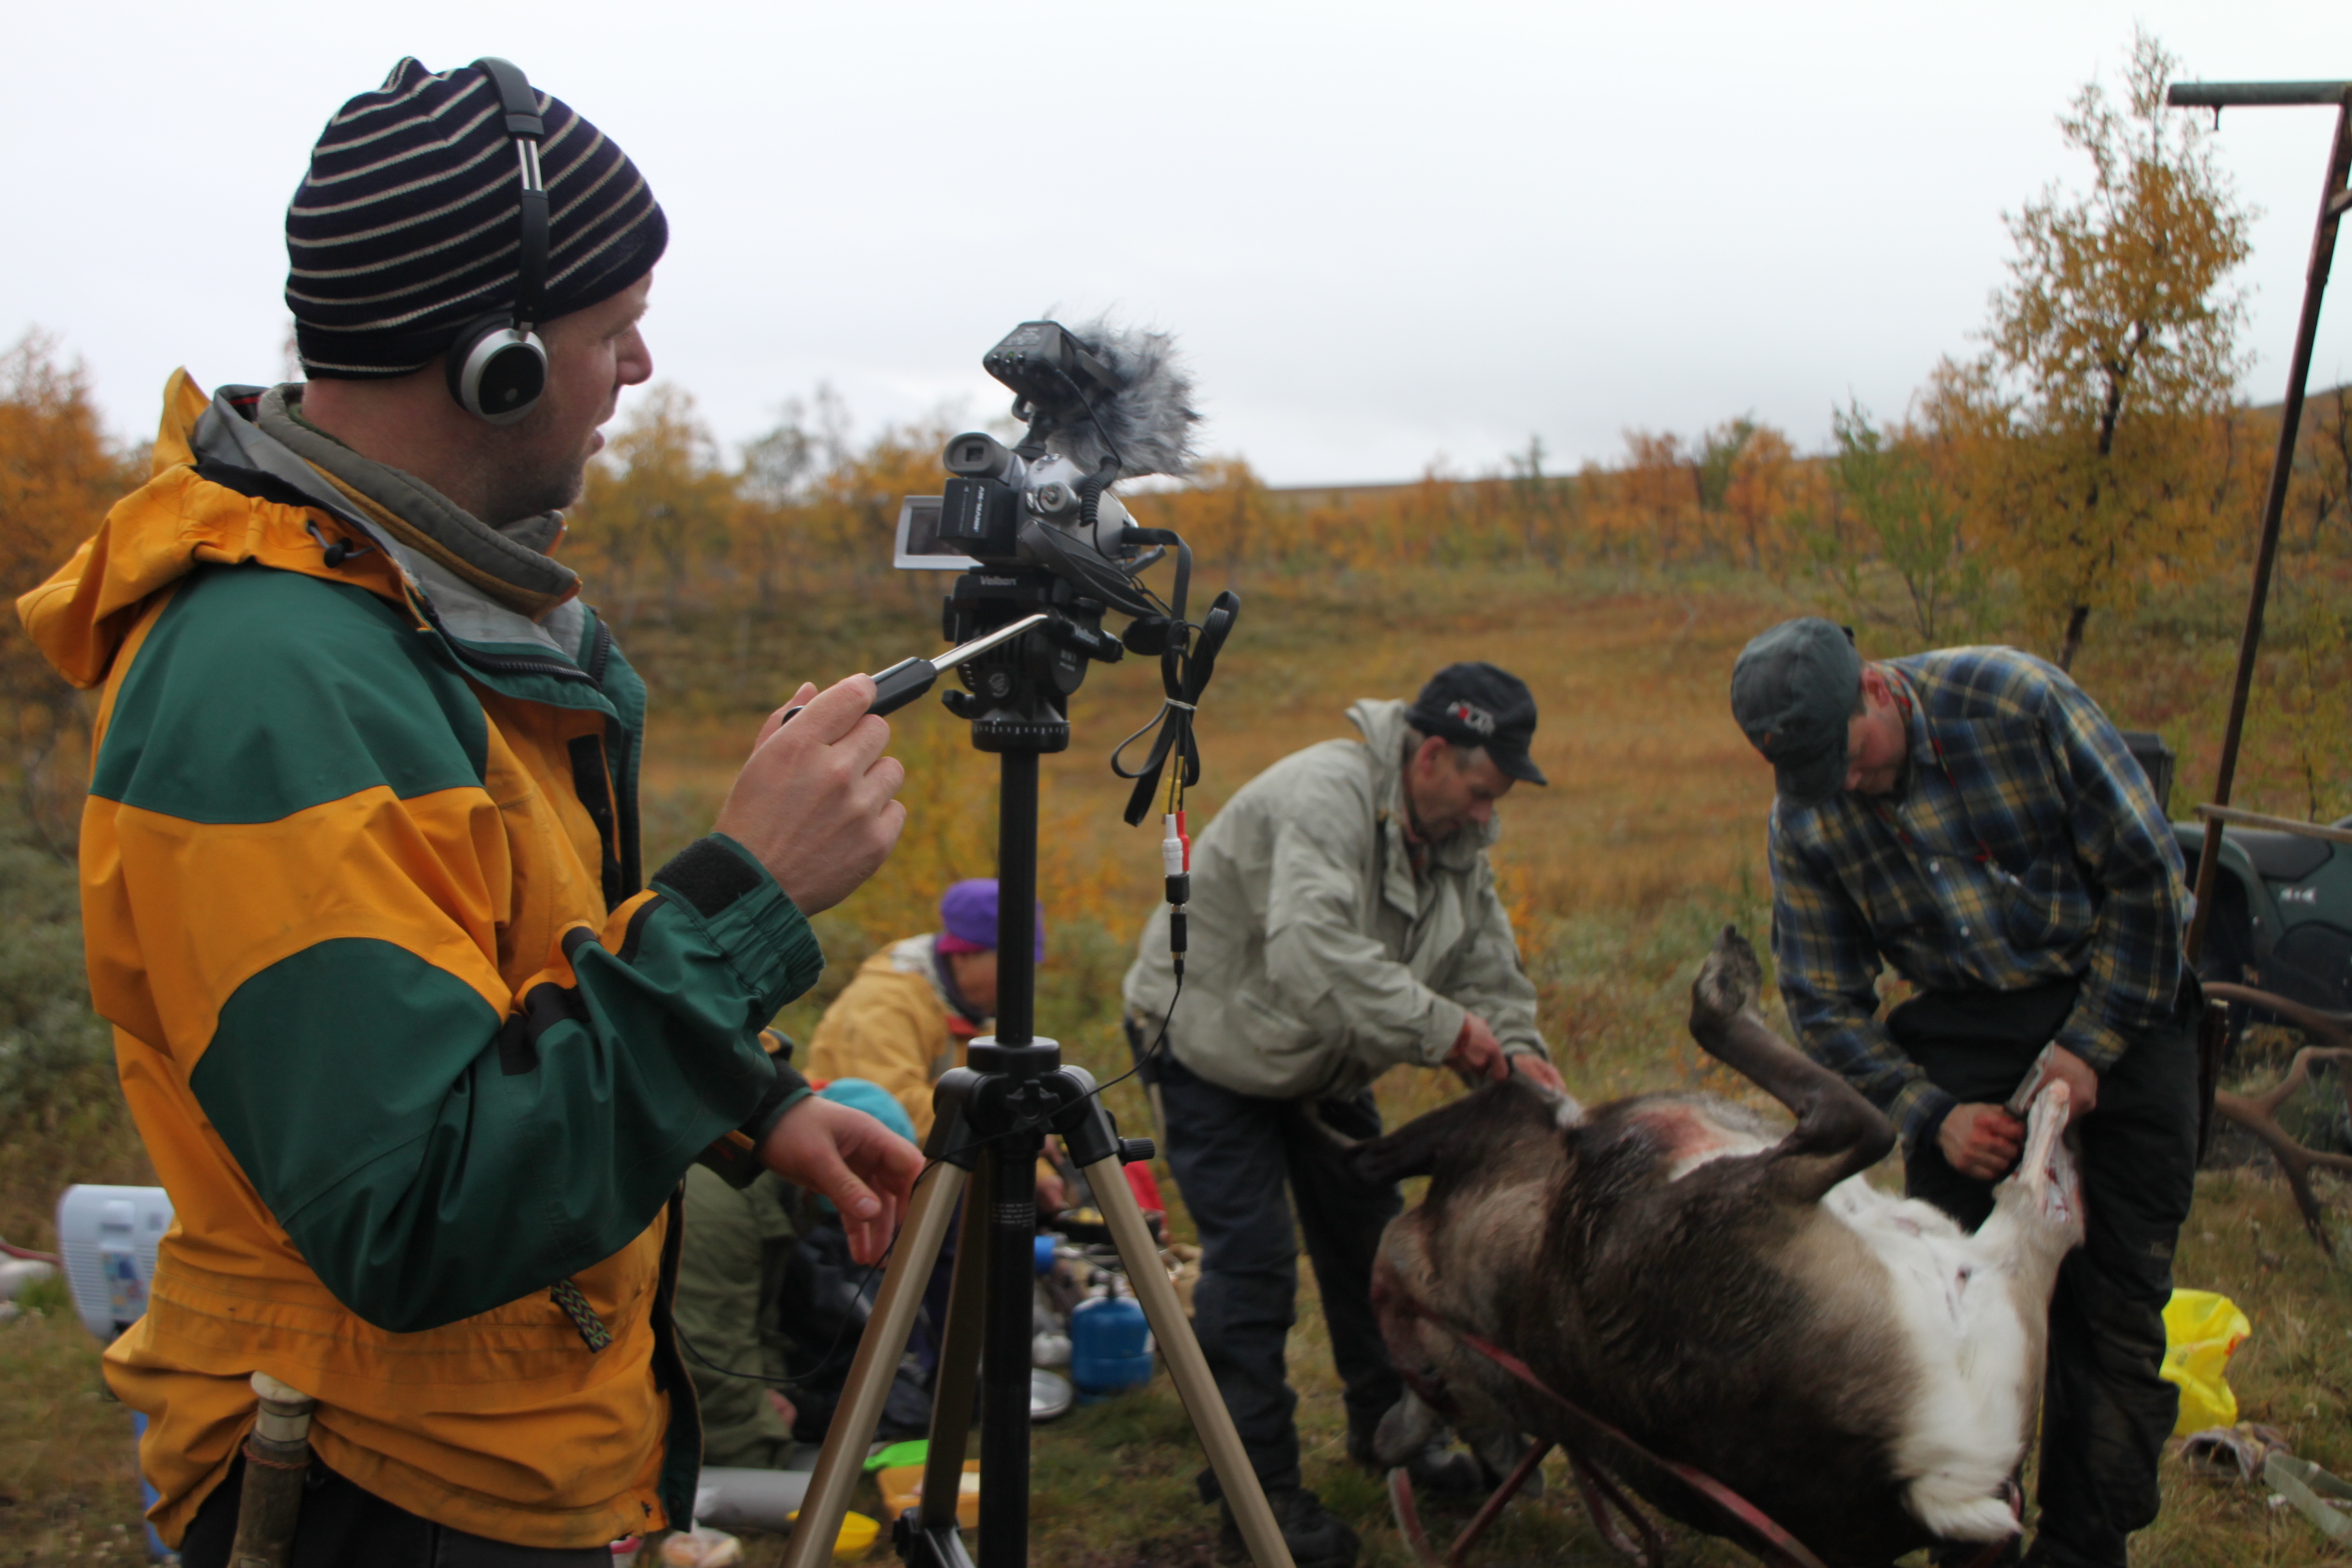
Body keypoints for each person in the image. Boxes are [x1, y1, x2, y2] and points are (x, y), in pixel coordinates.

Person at [16, 58, 924, 1566]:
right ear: (494, 363)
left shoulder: (418, 618)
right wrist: (744, 899)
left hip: (493, 1447)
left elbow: (504, 979)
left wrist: (753, 1103)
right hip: (378, 1480)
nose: (640, 368)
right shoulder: (274, 683)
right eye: (613, 329)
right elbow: (413, 1203)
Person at [1729, 617, 2198, 1568]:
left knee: (2114, 1308)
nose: (1842, 785)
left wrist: (2090, 1047)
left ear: (1876, 687)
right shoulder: (1806, 817)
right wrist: (1929, 1115)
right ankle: (1971, 1544)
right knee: (1954, 1312)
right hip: (1961, 1028)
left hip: (2120, 993)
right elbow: (1821, 1000)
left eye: (1848, 757)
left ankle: (2082, 1546)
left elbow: (2150, 884)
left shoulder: (2018, 702)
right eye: (1814, 776)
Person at [1122, 662, 1565, 1568]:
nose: (1488, 813)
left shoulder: (1454, 836)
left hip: (1320, 1058)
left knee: (1374, 1248)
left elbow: (1487, 966)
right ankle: (1257, 1498)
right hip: (1210, 1046)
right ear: (1431, 755)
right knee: (1253, 1270)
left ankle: (1387, 1433)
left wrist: (1518, 1054)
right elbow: (1312, 953)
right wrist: (1448, 1033)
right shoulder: (1326, 795)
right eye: (1482, 790)